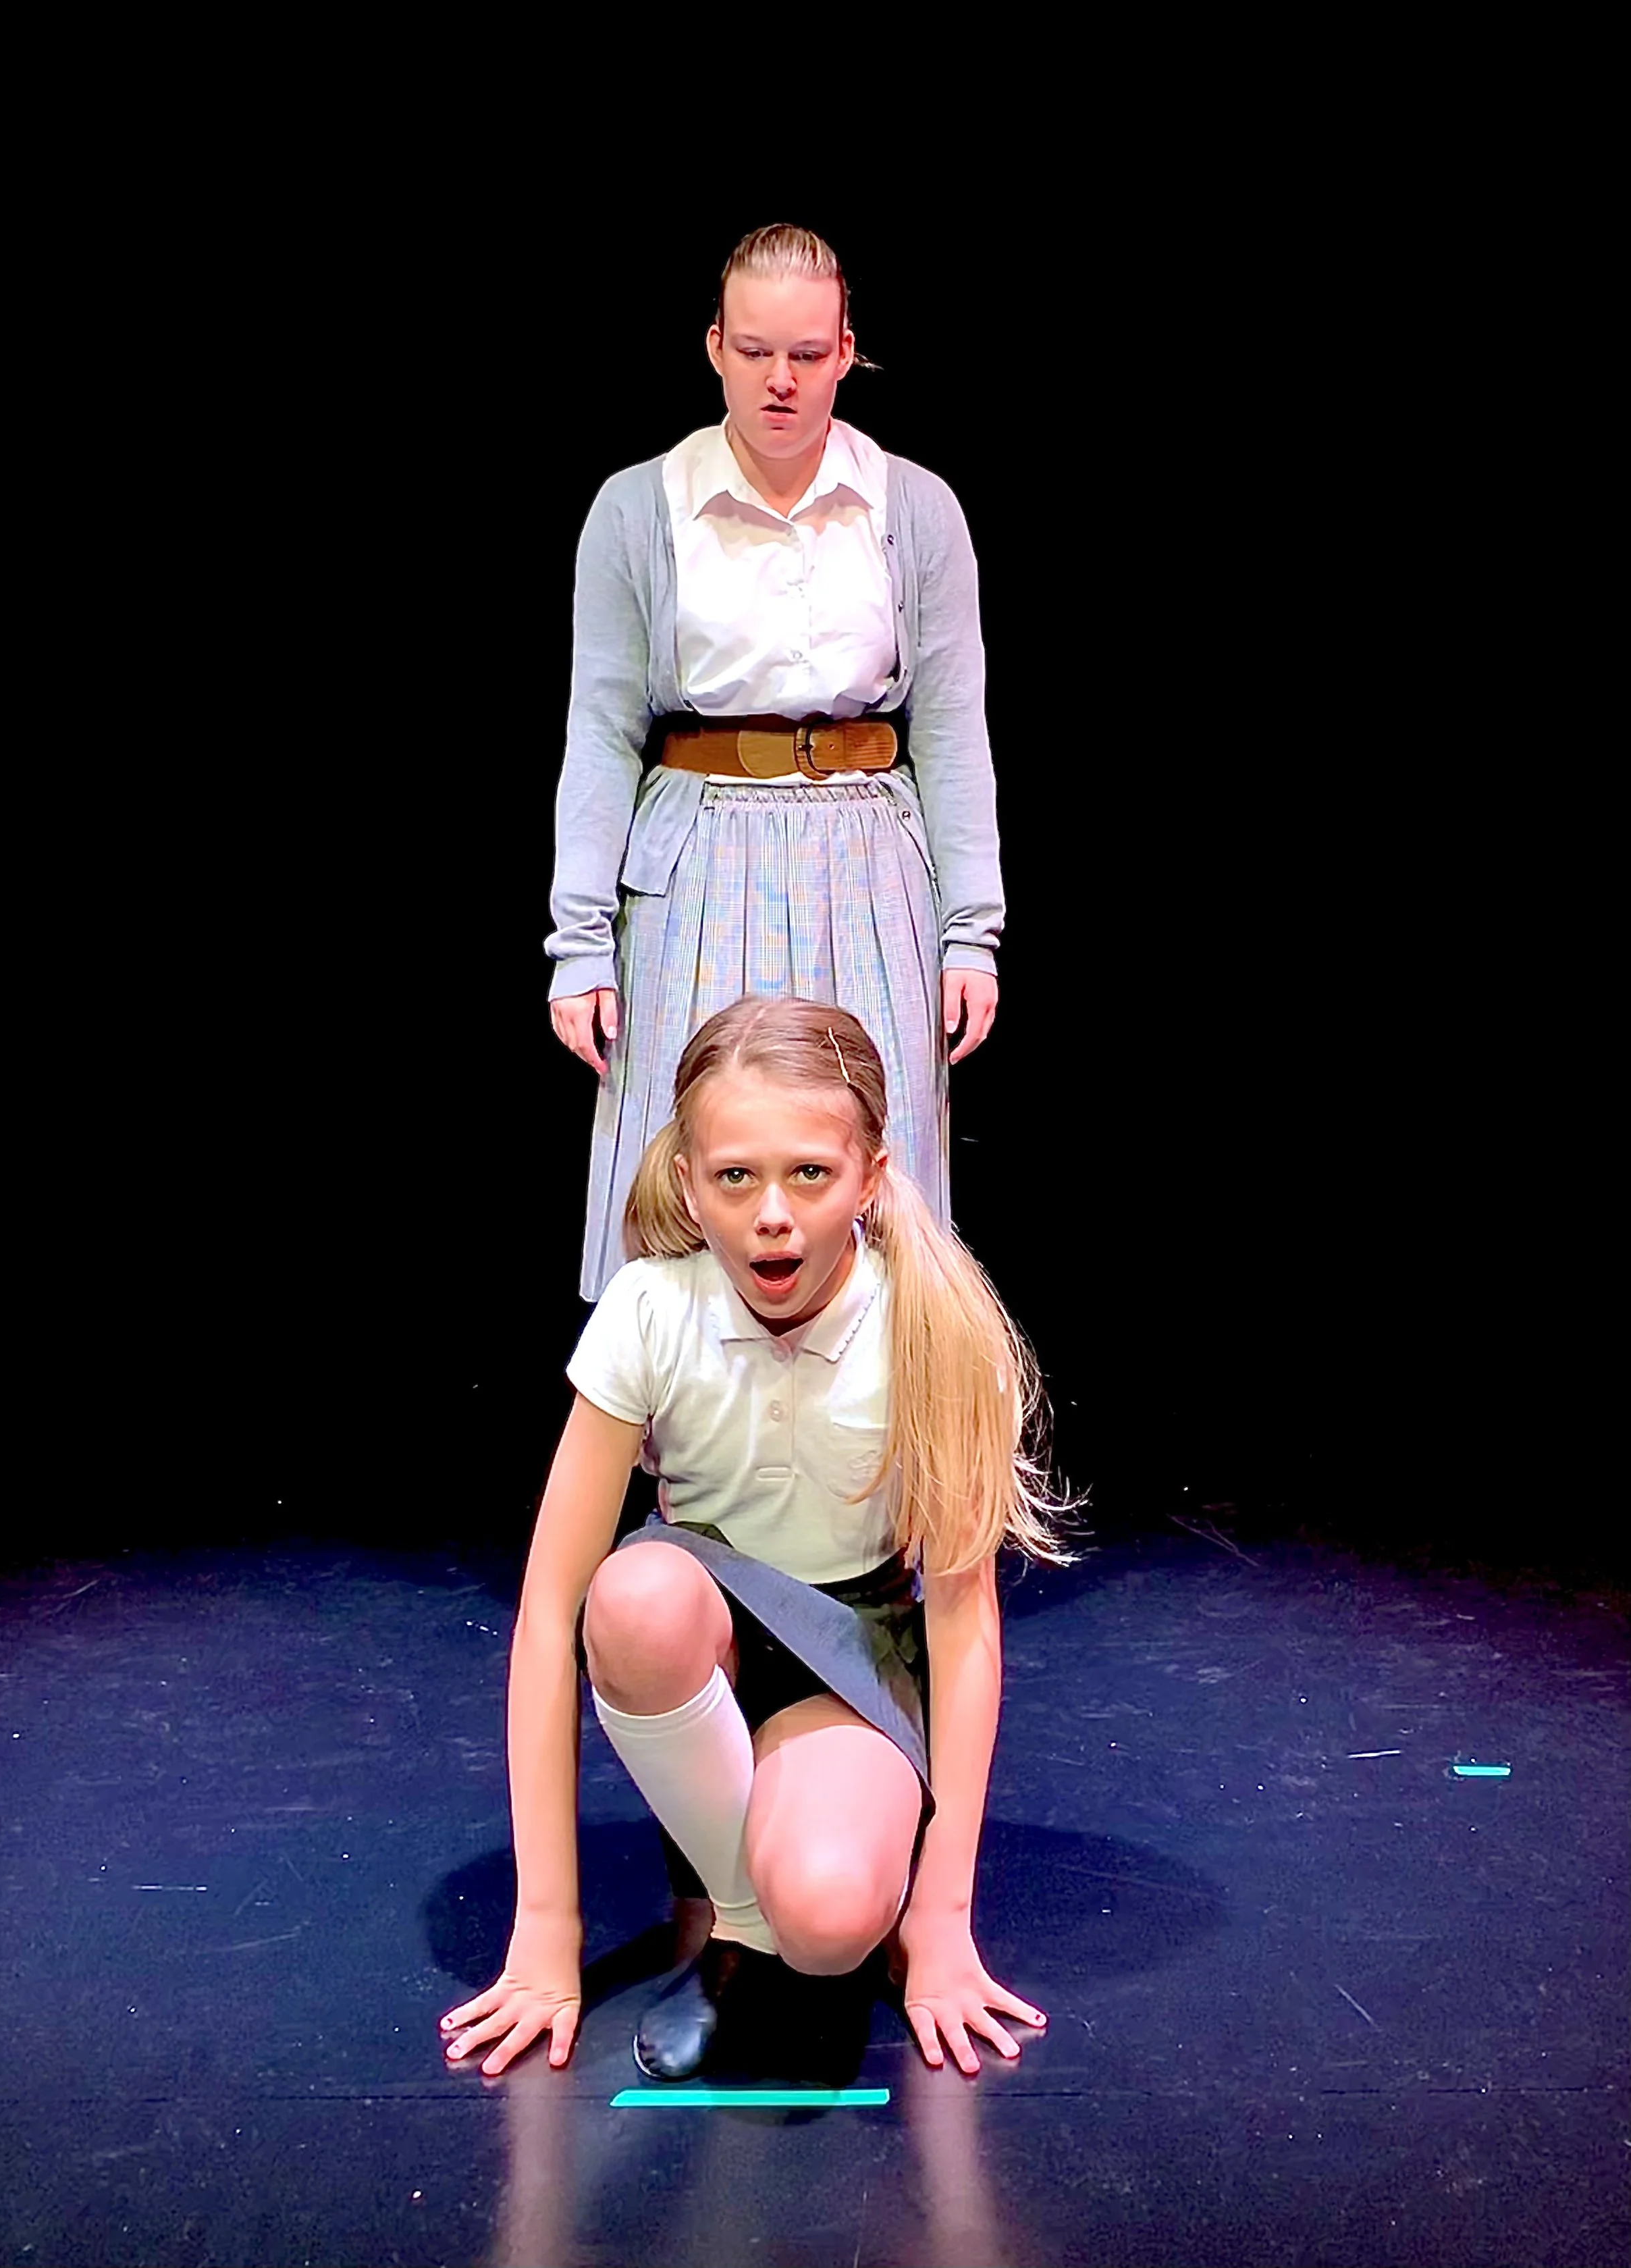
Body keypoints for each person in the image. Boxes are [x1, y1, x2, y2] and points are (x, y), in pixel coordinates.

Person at [440, 996, 1067, 2082]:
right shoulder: (650, 1309)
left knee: (830, 1918)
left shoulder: (933, 1323)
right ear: (690, 1183)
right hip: (704, 1642)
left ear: (870, 1177)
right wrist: (545, 1930)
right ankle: (737, 1919)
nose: (772, 1214)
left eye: (810, 1174)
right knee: (632, 1595)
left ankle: (798, 1893)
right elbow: (549, 1612)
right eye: (736, 1177)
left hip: (852, 1648)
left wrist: (940, 1917)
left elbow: (965, 1620)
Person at [547, 222, 1005, 1302]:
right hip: (697, 857)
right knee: (694, 1145)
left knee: (870, 1159)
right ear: (715, 346)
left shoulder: (913, 508)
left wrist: (971, 931)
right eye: (755, 351)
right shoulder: (640, 508)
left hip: (868, 857)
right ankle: (681, 1413)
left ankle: (883, 1406)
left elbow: (952, 728)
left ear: (847, 351)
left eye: (806, 353)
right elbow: (601, 731)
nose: (781, 380)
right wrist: (579, 942)